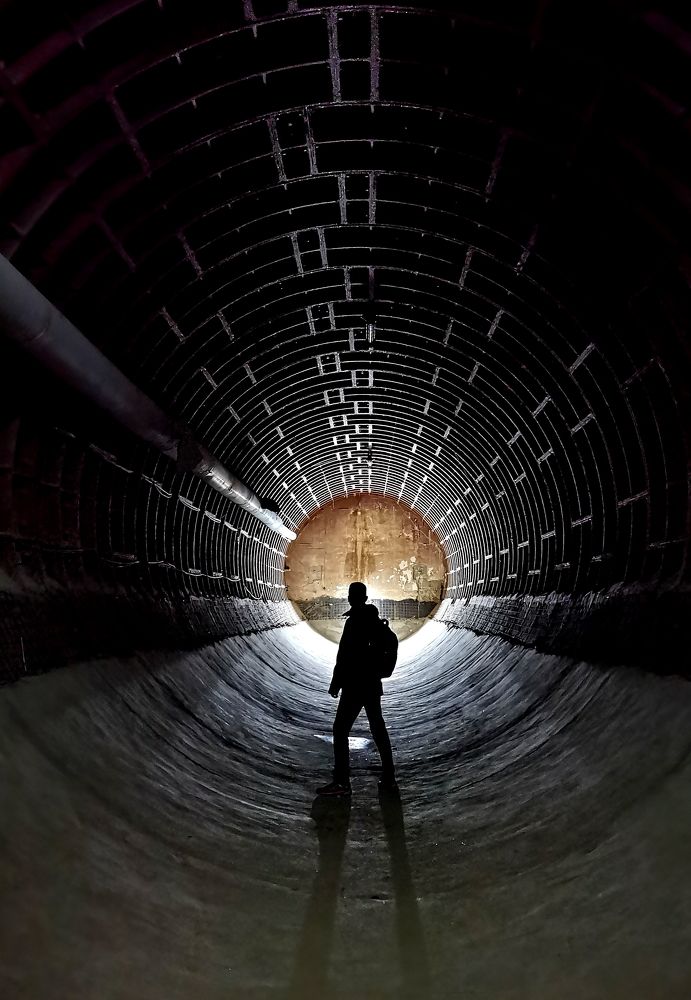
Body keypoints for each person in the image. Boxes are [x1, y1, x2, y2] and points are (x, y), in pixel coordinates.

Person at [317, 582, 397, 796]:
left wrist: (336, 683)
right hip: (371, 684)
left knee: (340, 730)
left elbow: (344, 656)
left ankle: (342, 782)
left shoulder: (354, 622)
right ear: (366, 596)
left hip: (354, 685)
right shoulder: (375, 620)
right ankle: (389, 777)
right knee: (378, 728)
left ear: (352, 597)